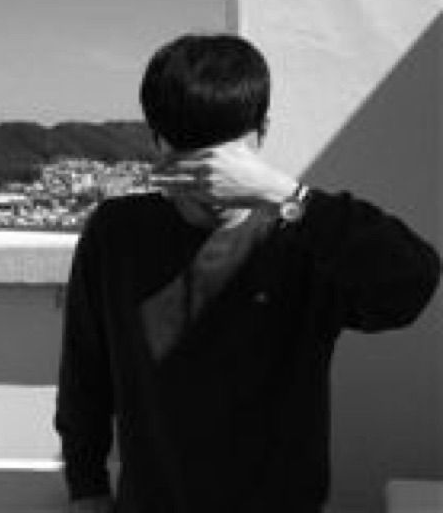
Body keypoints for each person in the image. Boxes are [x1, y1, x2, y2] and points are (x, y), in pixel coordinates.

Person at [53, 34, 441, 513]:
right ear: (157, 142)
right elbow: (85, 369)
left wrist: (290, 197)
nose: (211, 186)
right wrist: (86, 483)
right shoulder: (117, 232)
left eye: (224, 163)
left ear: (262, 134)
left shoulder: (303, 239)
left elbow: (412, 285)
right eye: (193, 162)